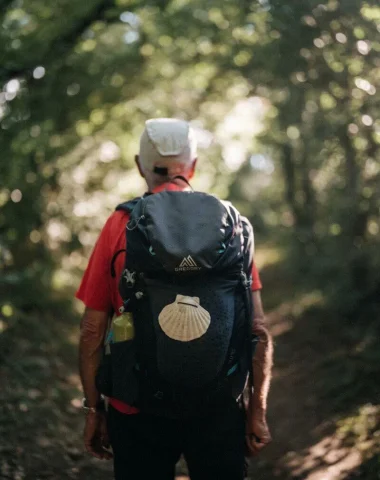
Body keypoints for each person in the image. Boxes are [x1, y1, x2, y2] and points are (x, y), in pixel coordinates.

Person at [76, 118, 273, 480]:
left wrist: (94, 409)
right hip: (217, 405)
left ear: (140, 166)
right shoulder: (230, 226)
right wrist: (256, 409)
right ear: (193, 166)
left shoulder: (121, 224)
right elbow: (257, 329)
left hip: (135, 406)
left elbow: (92, 328)